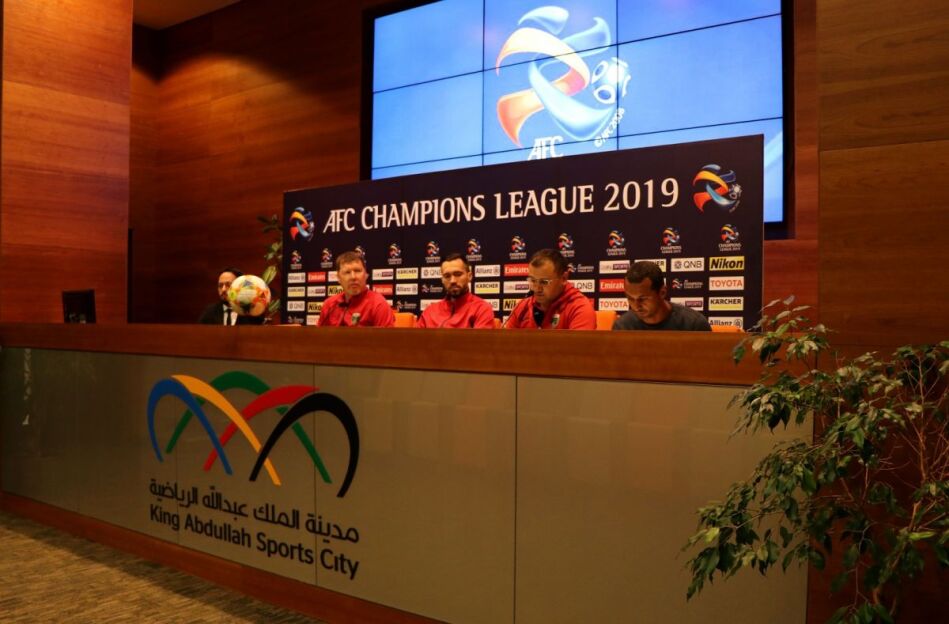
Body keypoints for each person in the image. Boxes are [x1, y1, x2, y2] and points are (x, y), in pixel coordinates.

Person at [505, 248, 596, 330]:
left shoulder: (580, 308)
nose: (537, 289)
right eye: (533, 280)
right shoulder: (522, 307)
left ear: (563, 278)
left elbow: (578, 344)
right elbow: (506, 342)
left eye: (544, 282)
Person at [613, 261, 711, 331]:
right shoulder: (622, 327)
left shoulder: (694, 325)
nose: (635, 306)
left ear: (662, 293)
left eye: (642, 299)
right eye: (630, 298)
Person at [418, 253, 496, 329]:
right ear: (442, 280)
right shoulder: (430, 311)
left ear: (469, 276)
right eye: (447, 276)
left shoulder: (481, 309)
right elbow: (415, 337)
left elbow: (480, 338)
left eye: (458, 274)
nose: (453, 281)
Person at [318, 251, 395, 327]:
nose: (353, 277)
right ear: (338, 278)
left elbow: (386, 335)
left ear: (366, 275)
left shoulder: (379, 304)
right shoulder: (330, 304)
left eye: (357, 271)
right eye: (347, 272)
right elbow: (319, 334)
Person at [198, 268, 263, 325]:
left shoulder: (251, 312)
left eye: (228, 285)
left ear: (240, 287)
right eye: (220, 286)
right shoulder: (210, 312)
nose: (223, 289)